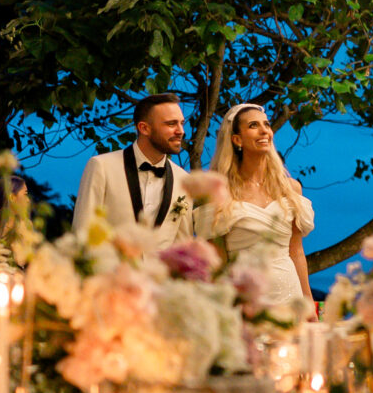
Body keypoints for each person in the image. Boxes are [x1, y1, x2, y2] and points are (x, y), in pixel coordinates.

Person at [203, 102, 313, 301]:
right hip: (245, 300)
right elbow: (217, 260)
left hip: (291, 299)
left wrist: (307, 302)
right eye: (253, 125)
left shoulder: (290, 189)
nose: (264, 131)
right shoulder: (219, 193)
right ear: (237, 139)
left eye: (266, 124)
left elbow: (296, 251)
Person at [74, 93, 192, 235]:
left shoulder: (184, 181)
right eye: (171, 124)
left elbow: (183, 244)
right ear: (144, 128)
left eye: (181, 123)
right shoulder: (102, 167)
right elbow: (83, 232)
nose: (181, 131)